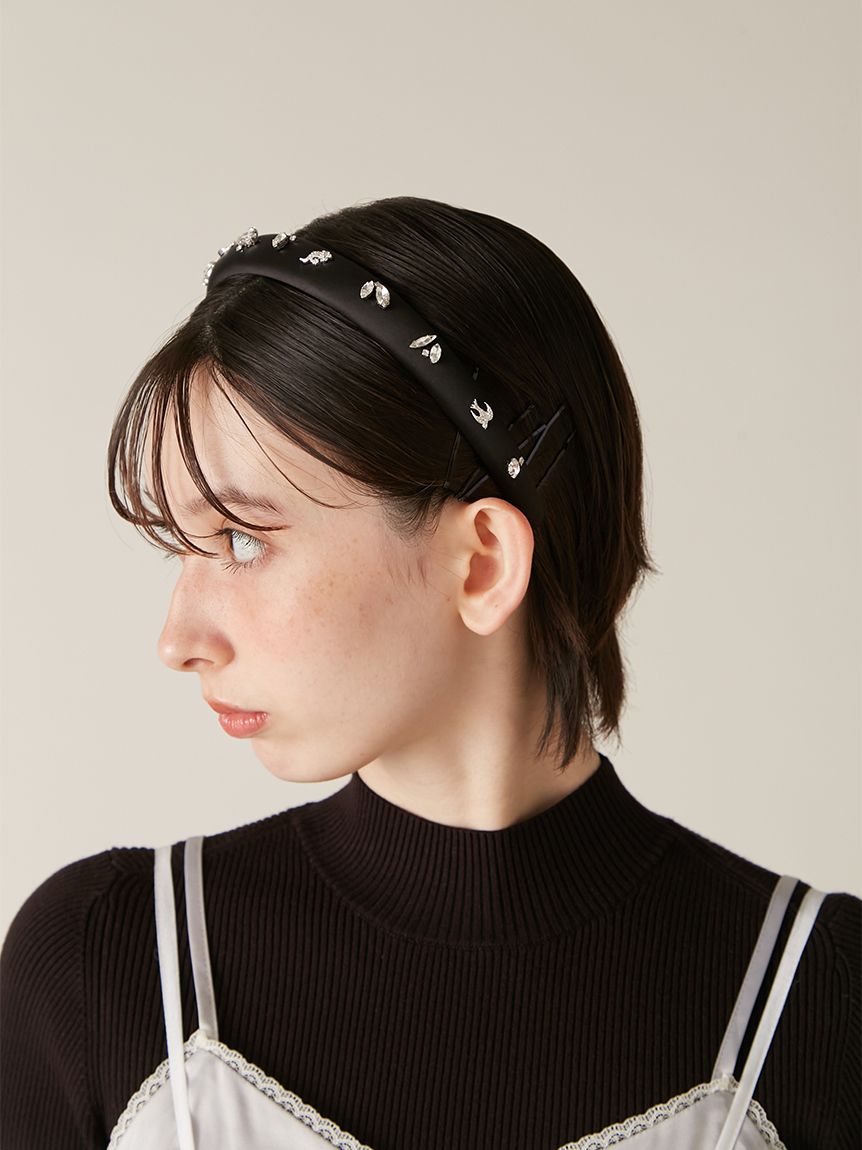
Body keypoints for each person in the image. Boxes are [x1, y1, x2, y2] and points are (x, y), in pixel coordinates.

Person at [0, 195, 858, 1149]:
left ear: (482, 562)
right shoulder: (108, 966)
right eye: (182, 548)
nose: (178, 638)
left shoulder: (824, 1000)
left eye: (242, 541)